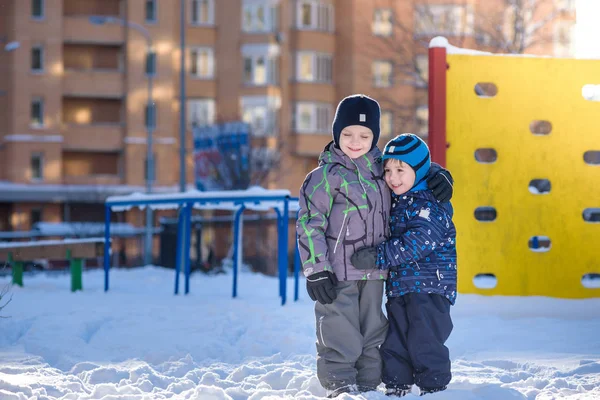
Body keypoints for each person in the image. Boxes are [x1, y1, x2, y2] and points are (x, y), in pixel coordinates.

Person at [296, 95, 454, 398]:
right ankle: (341, 385)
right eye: (347, 134)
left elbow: (411, 168)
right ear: (336, 134)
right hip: (337, 274)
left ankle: (368, 386)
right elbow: (309, 224)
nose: (356, 142)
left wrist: (438, 173)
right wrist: (316, 269)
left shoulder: (382, 172)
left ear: (374, 137)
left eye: (365, 135)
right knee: (340, 331)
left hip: (376, 273)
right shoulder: (324, 178)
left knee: (374, 332)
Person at [351, 133, 457, 397]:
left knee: (425, 341)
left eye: (401, 170)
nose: (392, 178)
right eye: (388, 170)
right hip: (400, 287)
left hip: (430, 287)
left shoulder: (431, 203)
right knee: (395, 340)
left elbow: (419, 241)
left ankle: (434, 388)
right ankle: (397, 385)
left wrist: (379, 256)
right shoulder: (400, 197)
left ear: (419, 171)